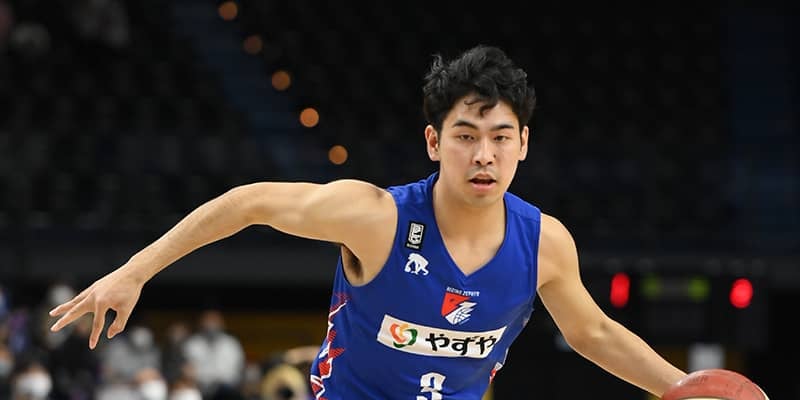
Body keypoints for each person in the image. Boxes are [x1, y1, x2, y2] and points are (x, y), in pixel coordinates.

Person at [47, 44, 688, 399]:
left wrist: (684, 388)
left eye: (500, 137)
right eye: (466, 135)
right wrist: (134, 272)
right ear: (434, 142)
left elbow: (593, 332)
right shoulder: (376, 217)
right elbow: (247, 203)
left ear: (523, 144)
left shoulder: (544, 243)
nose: (483, 155)